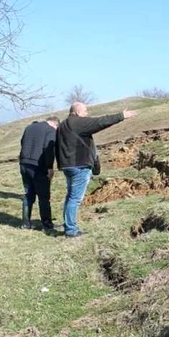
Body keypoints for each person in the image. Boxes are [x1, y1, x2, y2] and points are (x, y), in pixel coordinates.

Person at [56, 102, 137, 238]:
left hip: (67, 166)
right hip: (79, 165)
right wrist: (121, 116)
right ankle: (71, 230)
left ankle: (68, 225)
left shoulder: (62, 125)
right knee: (75, 198)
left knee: (70, 196)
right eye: (85, 111)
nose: (87, 114)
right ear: (77, 112)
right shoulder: (78, 122)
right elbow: (100, 122)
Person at [19, 115, 60, 232]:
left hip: (24, 164)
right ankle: (47, 225)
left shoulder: (29, 127)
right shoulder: (50, 130)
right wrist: (49, 167)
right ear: (55, 124)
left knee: (28, 194)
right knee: (43, 197)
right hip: (38, 167)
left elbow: (22, 142)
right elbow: (49, 148)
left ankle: (25, 223)